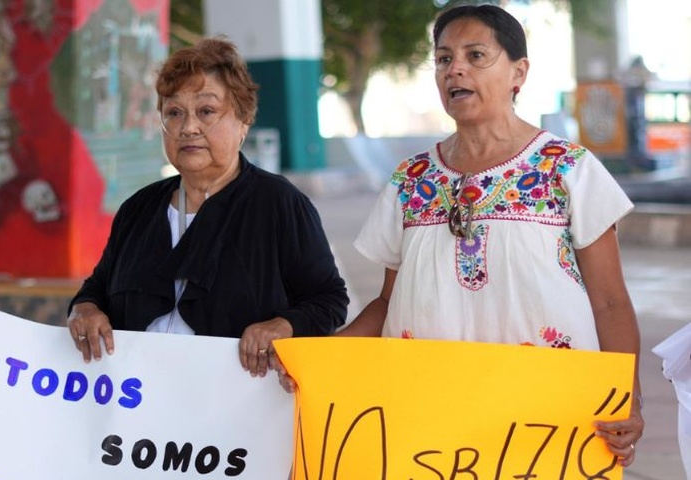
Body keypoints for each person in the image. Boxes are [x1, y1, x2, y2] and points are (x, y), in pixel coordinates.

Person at [276, 4, 644, 467]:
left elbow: (609, 301)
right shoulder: (412, 180)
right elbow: (389, 303)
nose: (456, 70)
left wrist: (626, 397)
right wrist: (320, 360)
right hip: (430, 422)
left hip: (548, 422)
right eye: (444, 58)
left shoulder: (567, 169)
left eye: (475, 55)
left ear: (519, 72)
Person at [66, 37, 348, 378]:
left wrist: (283, 326)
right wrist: (84, 310)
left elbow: (328, 301)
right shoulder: (138, 209)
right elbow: (95, 289)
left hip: (231, 409)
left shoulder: (279, 205)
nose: (188, 128)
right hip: (134, 409)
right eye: (174, 113)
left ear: (243, 121)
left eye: (206, 111)